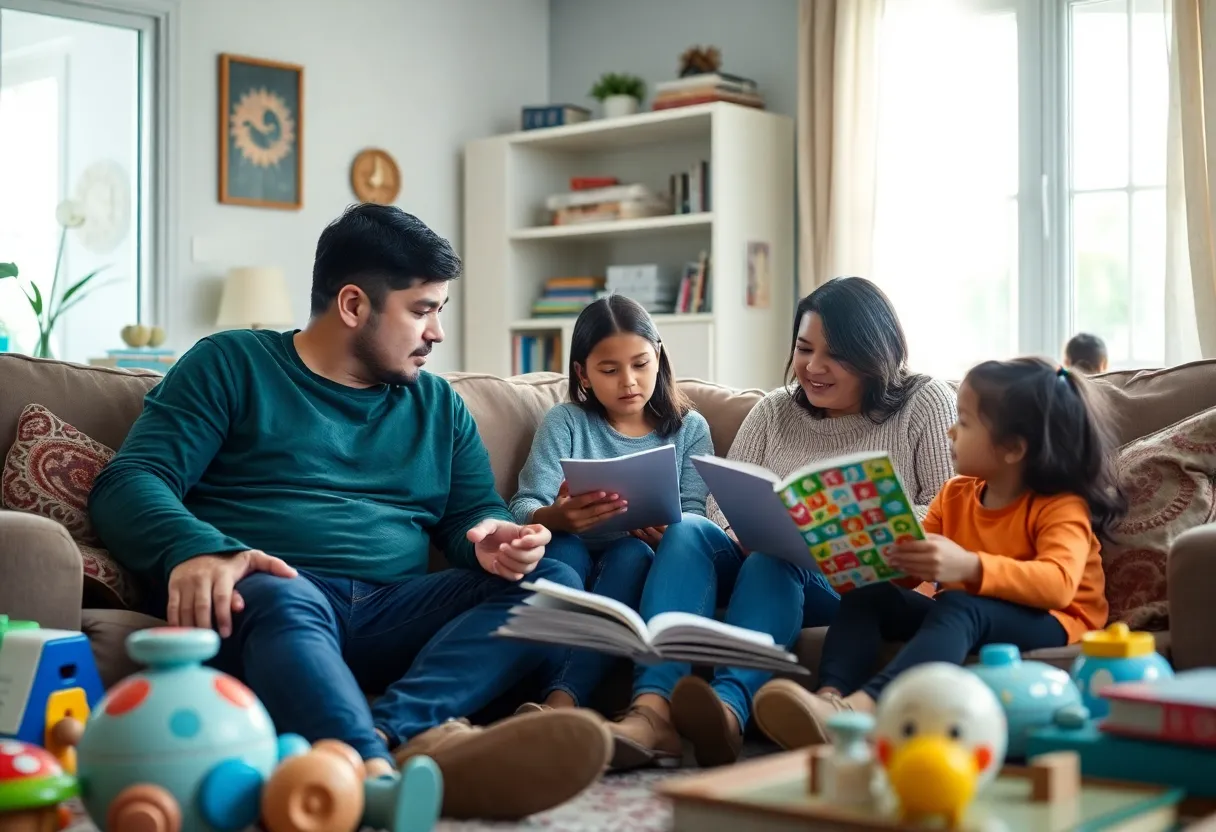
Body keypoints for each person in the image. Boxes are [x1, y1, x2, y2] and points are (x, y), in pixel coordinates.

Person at [88, 204, 613, 821]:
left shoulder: (438, 406)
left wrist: (492, 539)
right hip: (276, 598)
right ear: (353, 305)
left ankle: (393, 737)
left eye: (438, 312)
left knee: (555, 584)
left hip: (395, 611)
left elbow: (472, 514)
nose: (436, 334)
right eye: (421, 311)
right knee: (278, 589)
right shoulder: (233, 365)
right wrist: (198, 548)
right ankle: (377, 775)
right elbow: (129, 481)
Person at [604, 276, 958, 770]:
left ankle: (728, 708)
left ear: (874, 353)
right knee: (689, 530)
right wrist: (738, 531)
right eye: (803, 348)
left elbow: (949, 508)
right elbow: (724, 498)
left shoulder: (925, 403)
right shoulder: (774, 410)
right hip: (760, 557)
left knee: (777, 559)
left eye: (834, 355)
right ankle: (653, 710)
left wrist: (832, 526)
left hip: (857, 587)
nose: (813, 368)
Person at [752, 357, 1127, 750]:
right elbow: (911, 577)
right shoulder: (956, 493)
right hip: (974, 610)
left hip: (1058, 620)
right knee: (870, 595)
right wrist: (877, 552)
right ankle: (829, 701)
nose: (950, 430)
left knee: (962, 604)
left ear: (1013, 447)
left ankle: (863, 709)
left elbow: (1059, 585)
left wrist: (967, 566)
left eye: (964, 422)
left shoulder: (1058, 505)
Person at [509, 295, 713, 714]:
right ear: (582, 373)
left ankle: (562, 699)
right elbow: (524, 504)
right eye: (609, 369)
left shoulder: (690, 429)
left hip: (638, 555)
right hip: (570, 547)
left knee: (632, 554)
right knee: (562, 554)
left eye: (640, 364)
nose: (628, 381)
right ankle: (557, 698)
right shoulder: (566, 421)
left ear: (658, 356)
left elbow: (696, 515)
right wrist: (555, 516)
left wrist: (669, 533)